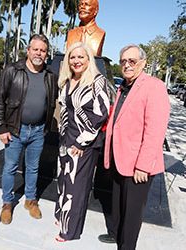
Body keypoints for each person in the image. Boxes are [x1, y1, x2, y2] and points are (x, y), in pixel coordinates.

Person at [103, 44, 170, 249]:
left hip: (138, 164)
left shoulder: (154, 86)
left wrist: (143, 165)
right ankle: (115, 234)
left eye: (132, 61)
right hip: (119, 157)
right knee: (118, 203)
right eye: (123, 61)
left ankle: (127, 245)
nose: (127, 65)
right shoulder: (122, 86)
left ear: (143, 63)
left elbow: (155, 131)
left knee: (132, 212)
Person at [0, 34, 58, 224]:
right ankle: (7, 203)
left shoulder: (50, 76)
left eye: (43, 50)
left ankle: (30, 199)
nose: (39, 53)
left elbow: (54, 102)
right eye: (35, 49)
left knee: (33, 167)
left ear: (47, 54)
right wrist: (1, 127)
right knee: (10, 167)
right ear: (28, 50)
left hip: (38, 131)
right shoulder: (13, 70)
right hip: (14, 130)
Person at [54, 42, 110, 242]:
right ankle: (62, 216)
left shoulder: (97, 81)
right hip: (66, 139)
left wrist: (80, 142)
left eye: (81, 57)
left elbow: (101, 114)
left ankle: (70, 231)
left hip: (83, 144)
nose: (76, 61)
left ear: (89, 60)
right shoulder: (69, 81)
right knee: (64, 181)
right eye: (72, 57)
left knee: (76, 187)